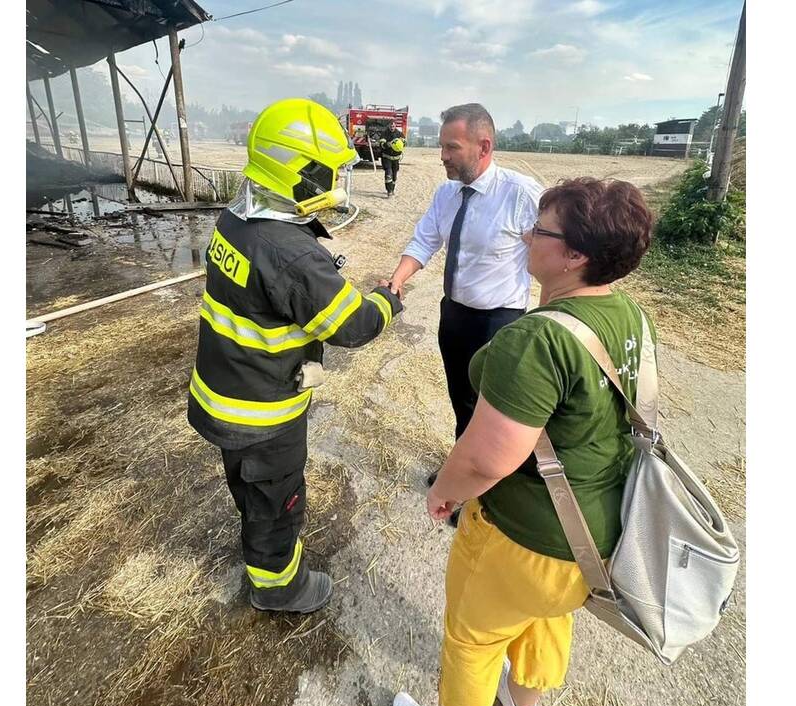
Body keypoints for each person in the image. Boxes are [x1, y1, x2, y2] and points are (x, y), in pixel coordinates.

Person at [392, 178, 656, 706]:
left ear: (574, 255)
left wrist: (445, 491)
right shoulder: (629, 315)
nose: (528, 234)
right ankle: (524, 705)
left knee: (473, 639)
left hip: (527, 537)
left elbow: (488, 457)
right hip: (591, 541)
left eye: (541, 229)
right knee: (545, 619)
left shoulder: (536, 340)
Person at [186, 98, 403, 614]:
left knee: (248, 487)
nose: (335, 182)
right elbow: (351, 325)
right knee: (276, 503)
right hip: (265, 416)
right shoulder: (292, 253)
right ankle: (279, 587)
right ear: (301, 171)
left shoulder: (234, 220)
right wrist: (387, 302)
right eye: (329, 170)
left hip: (221, 396)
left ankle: (264, 550)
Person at [384, 103, 543, 499]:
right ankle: (463, 466)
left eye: (452, 147)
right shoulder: (447, 194)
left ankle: (486, 490)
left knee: (494, 413)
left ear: (483, 146)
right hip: (454, 314)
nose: (443, 156)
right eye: (442, 147)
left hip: (499, 322)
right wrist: (399, 279)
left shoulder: (521, 196)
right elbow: (425, 240)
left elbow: (551, 252)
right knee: (461, 397)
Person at [377, 126, 406, 197]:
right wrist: (388, 144)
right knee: (388, 173)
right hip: (386, 157)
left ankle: (392, 189)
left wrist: (402, 142)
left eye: (393, 126)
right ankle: (389, 191)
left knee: (394, 176)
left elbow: (405, 143)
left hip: (396, 159)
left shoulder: (400, 134)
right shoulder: (384, 134)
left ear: (395, 126)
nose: (392, 127)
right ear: (389, 126)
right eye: (391, 126)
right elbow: (381, 145)